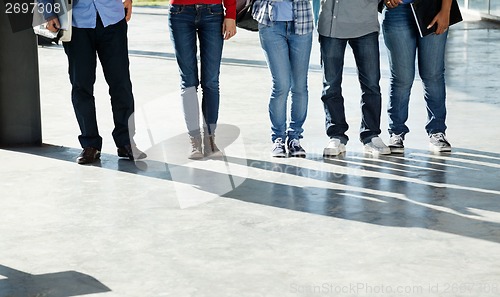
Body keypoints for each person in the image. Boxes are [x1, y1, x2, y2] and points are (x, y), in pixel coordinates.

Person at [42, 0, 146, 164]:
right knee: (81, 85)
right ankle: (90, 144)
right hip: (75, 23)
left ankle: (126, 142)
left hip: (112, 19)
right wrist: (48, 13)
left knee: (121, 83)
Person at [317, 0, 391, 157]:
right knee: (331, 85)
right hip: (332, 24)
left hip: (366, 23)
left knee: (371, 85)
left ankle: (371, 135)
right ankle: (336, 135)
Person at [168, 0, 237, 159]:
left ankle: (210, 139)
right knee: (188, 82)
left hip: (213, 12)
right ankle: (195, 141)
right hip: (180, 12)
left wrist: (231, 14)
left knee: (211, 81)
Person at [382, 0, 452, 153]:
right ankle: (396, 132)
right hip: (396, 11)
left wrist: (446, 10)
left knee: (433, 75)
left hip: (433, 8)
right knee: (401, 77)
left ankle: (437, 131)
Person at [252, 0, 314, 158]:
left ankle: (295, 138)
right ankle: (278, 138)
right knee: (281, 85)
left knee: (300, 86)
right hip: (270, 25)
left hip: (302, 23)